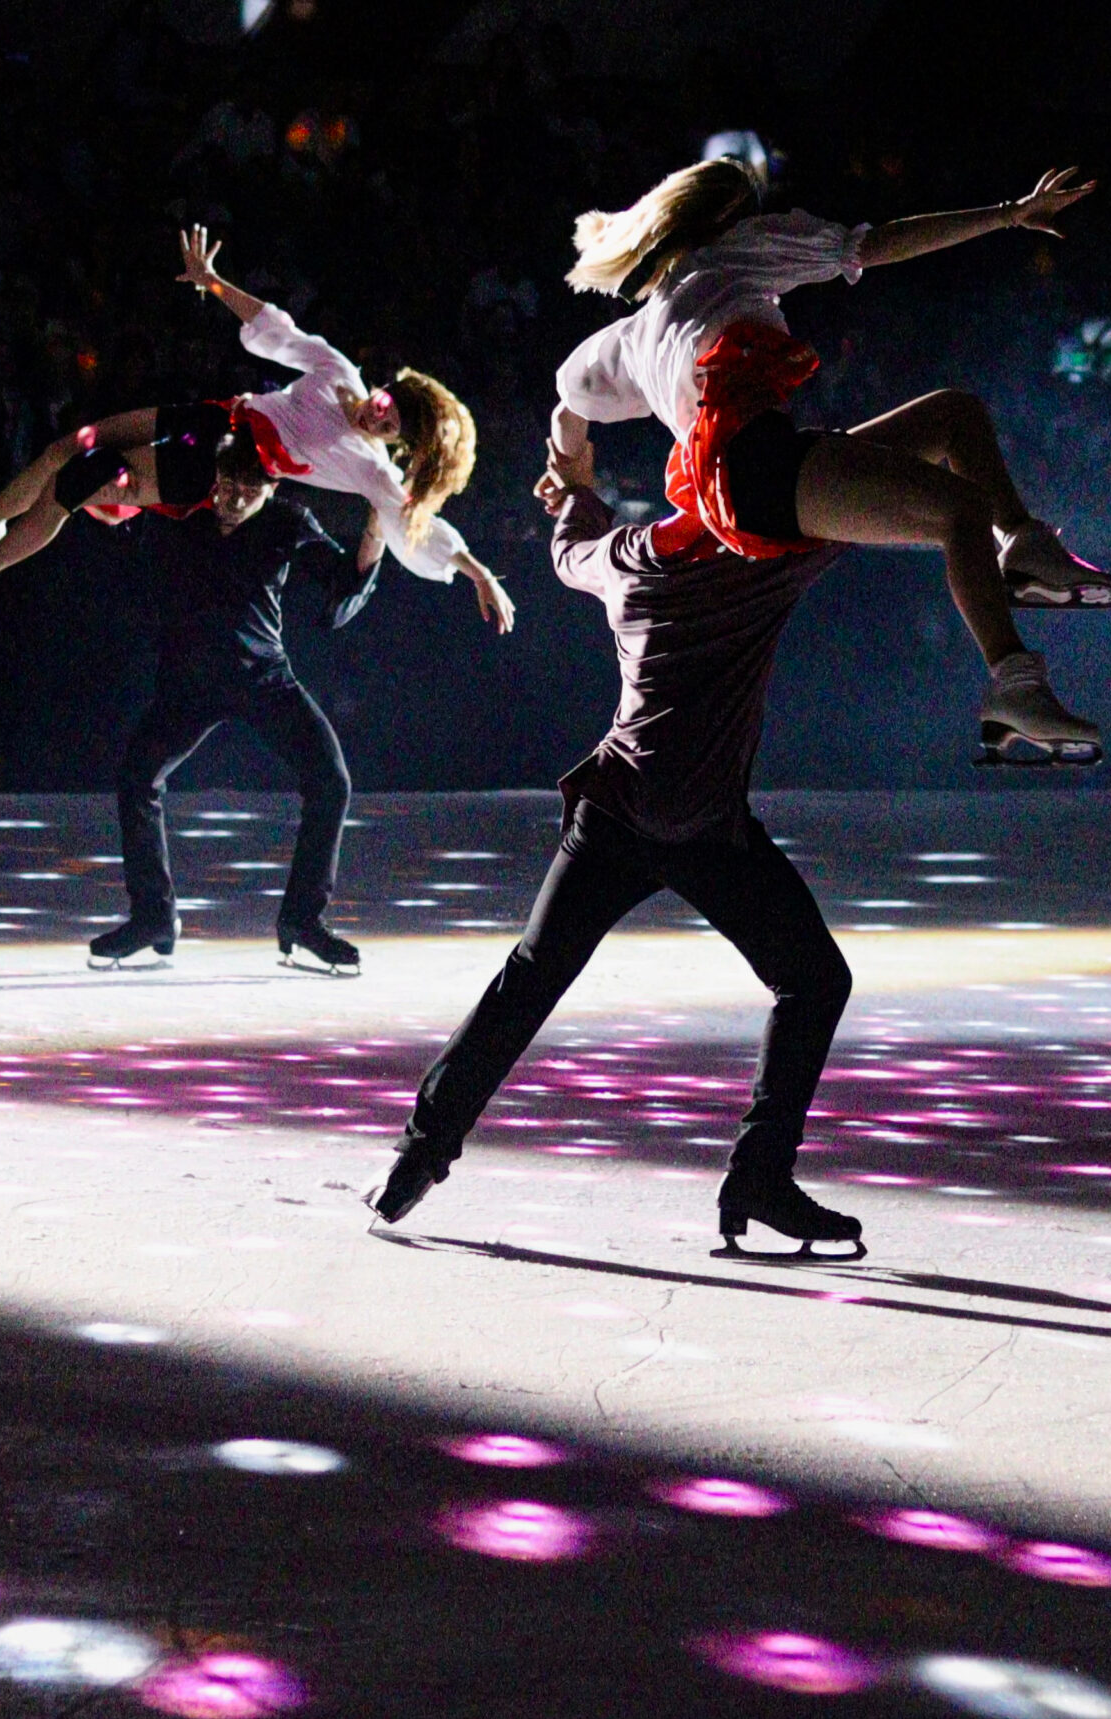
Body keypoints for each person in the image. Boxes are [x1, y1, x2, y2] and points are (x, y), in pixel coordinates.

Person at [366, 435, 862, 1255]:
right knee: (812, 980)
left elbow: (570, 551)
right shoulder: (761, 563)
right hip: (697, 824)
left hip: (619, 814)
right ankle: (759, 1175)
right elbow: (850, 508)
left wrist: (572, 489)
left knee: (528, 981)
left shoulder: (629, 558)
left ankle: (418, 1155)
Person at [550, 158, 1111, 767]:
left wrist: (566, 469)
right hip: (756, 470)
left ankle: (1024, 545)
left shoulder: (635, 332)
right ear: (726, 216)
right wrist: (1009, 215)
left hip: (749, 476)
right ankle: (1014, 684)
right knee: (959, 509)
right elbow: (874, 246)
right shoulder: (737, 250)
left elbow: (567, 397)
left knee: (955, 416)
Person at [0, 228, 515, 633]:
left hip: (220, 467)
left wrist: (477, 571)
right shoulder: (339, 370)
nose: (378, 415)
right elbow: (279, 330)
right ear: (387, 388)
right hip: (210, 418)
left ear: (396, 443)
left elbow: (417, 525)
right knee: (72, 444)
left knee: (75, 484)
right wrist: (214, 283)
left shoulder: (367, 466)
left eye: (391, 425)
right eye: (387, 403)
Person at [88, 407, 385, 976]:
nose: (232, 496)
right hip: (186, 685)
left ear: (272, 487)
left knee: (330, 781)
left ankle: (302, 922)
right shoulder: (180, 509)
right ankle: (153, 919)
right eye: (226, 482)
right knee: (136, 778)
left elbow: (343, 591)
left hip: (264, 679)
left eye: (249, 487)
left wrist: (380, 520)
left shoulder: (288, 521)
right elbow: (115, 510)